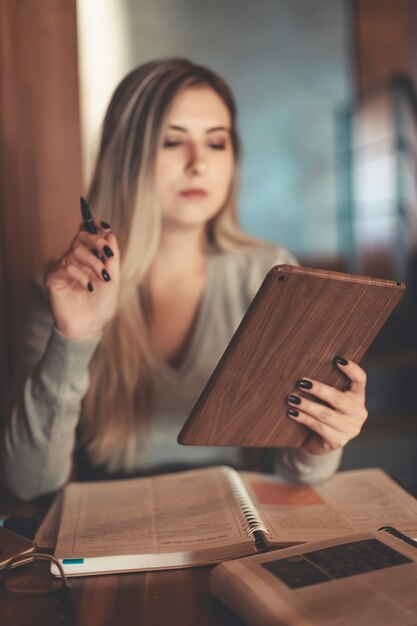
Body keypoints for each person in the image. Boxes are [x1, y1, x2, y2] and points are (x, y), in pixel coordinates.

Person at [1, 58, 368, 501]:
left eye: (217, 143)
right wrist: (73, 340)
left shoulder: (269, 273)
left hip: (243, 522)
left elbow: (297, 481)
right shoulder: (65, 289)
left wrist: (320, 443)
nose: (198, 164)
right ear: (126, 156)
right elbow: (28, 485)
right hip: (108, 538)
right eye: (172, 142)